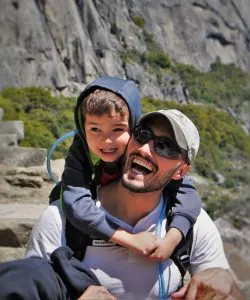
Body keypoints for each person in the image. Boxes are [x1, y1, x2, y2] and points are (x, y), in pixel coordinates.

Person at [22, 109, 242, 299]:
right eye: (142, 134)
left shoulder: (194, 225)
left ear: (181, 171)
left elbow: (224, 290)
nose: (145, 149)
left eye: (165, 147)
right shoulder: (61, 219)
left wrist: (226, 282)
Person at [49, 75, 202, 261]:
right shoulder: (81, 149)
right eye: (95, 129)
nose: (106, 140)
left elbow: (188, 194)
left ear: (133, 126)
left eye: (118, 130)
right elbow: (76, 203)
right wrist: (128, 239)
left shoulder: (138, 150)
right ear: (83, 128)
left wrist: (172, 238)